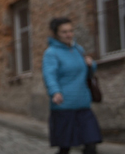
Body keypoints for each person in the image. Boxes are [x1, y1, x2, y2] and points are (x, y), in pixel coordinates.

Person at [42, 17, 102, 154]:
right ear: (56, 34)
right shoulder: (51, 53)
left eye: (70, 31)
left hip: (83, 104)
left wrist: (91, 64)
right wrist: (55, 92)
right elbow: (49, 75)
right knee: (65, 147)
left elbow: (87, 71)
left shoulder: (78, 49)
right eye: (64, 32)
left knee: (91, 144)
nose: (69, 34)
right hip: (64, 105)